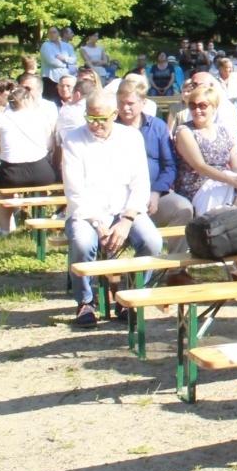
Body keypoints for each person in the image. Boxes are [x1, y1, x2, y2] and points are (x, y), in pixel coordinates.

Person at [61, 90, 160, 327]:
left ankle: (130, 298)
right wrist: (96, 223)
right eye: (90, 118)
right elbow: (74, 192)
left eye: (101, 119)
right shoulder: (73, 139)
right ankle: (85, 301)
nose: (95, 125)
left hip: (125, 209)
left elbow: (140, 184)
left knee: (152, 242)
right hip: (86, 211)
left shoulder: (131, 137)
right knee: (83, 243)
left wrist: (126, 220)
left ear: (114, 114)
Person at [115, 76, 184, 231]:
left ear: (143, 103)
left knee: (183, 208)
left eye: (130, 103)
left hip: (154, 193)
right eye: (121, 103)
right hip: (119, 197)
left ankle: (176, 254)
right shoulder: (111, 127)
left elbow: (170, 165)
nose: (125, 108)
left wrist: (156, 192)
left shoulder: (158, 127)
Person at [171, 82, 237, 219]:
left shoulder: (222, 130)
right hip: (196, 184)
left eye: (202, 106)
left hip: (225, 179)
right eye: (192, 106)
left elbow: (236, 163)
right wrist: (231, 180)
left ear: (214, 107)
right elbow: (199, 166)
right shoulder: (184, 131)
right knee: (225, 192)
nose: (197, 110)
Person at [0, 77, 57, 191]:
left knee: (0, 189)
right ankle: (40, 206)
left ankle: (8, 208)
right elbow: (50, 146)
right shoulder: (41, 117)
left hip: (10, 174)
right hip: (41, 173)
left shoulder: (0, 120)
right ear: (27, 100)